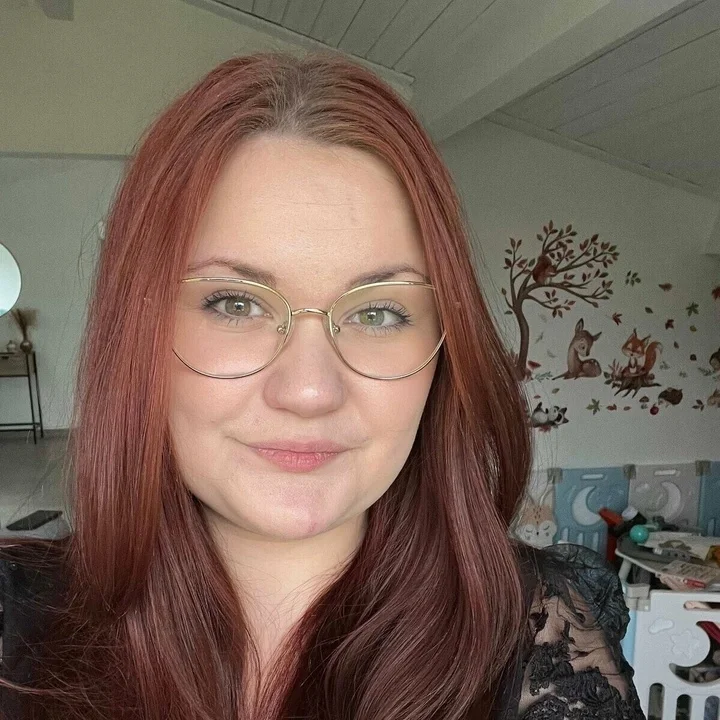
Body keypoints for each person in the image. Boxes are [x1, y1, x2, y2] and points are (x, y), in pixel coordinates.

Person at [0, 53, 645, 720]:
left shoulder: (545, 638)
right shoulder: (15, 628)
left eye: (378, 313)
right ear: (137, 333)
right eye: (235, 303)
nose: (310, 391)